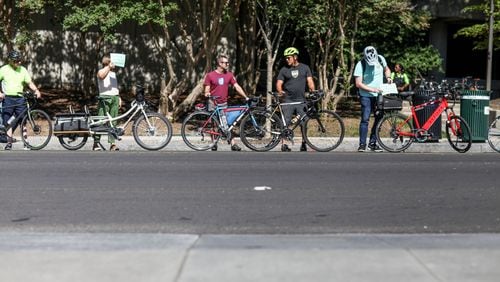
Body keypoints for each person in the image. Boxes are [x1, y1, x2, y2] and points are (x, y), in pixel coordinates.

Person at [203, 54, 248, 151]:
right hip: (213, 102)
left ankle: (233, 144)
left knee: (227, 124)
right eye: (225, 63)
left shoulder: (229, 75)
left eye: (228, 62)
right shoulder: (210, 75)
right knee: (213, 124)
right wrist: (207, 93)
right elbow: (207, 88)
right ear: (219, 63)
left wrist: (246, 96)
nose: (227, 64)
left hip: (223, 103)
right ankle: (213, 143)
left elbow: (237, 86)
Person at [276, 47, 315, 152]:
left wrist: (313, 91)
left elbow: (310, 81)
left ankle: (304, 143)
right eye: (286, 58)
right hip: (288, 100)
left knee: (304, 123)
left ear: (295, 57)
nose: (287, 60)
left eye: (289, 58)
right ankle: (284, 144)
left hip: (301, 101)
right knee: (286, 122)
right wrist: (280, 91)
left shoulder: (305, 68)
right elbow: (279, 83)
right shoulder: (284, 70)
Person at [0, 50, 41, 150]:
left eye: (19, 60)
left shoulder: (22, 70)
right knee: (7, 121)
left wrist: (36, 90)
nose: (19, 62)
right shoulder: (4, 69)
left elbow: (29, 82)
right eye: (16, 61)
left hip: (20, 99)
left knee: (23, 120)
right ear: (11, 61)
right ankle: (9, 143)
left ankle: (26, 143)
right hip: (8, 98)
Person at [354, 46, 392, 152]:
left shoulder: (380, 59)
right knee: (365, 119)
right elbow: (358, 83)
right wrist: (372, 89)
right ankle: (362, 144)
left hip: (379, 95)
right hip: (366, 96)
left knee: (379, 118)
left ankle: (373, 143)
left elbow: (387, 69)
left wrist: (388, 77)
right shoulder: (360, 64)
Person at [93, 55, 121, 151]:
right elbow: (101, 76)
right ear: (107, 62)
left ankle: (112, 144)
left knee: (113, 121)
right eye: (111, 63)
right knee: (101, 120)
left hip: (114, 98)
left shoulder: (113, 74)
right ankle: (96, 143)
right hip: (105, 98)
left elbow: (115, 86)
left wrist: (119, 97)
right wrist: (109, 67)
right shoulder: (101, 71)